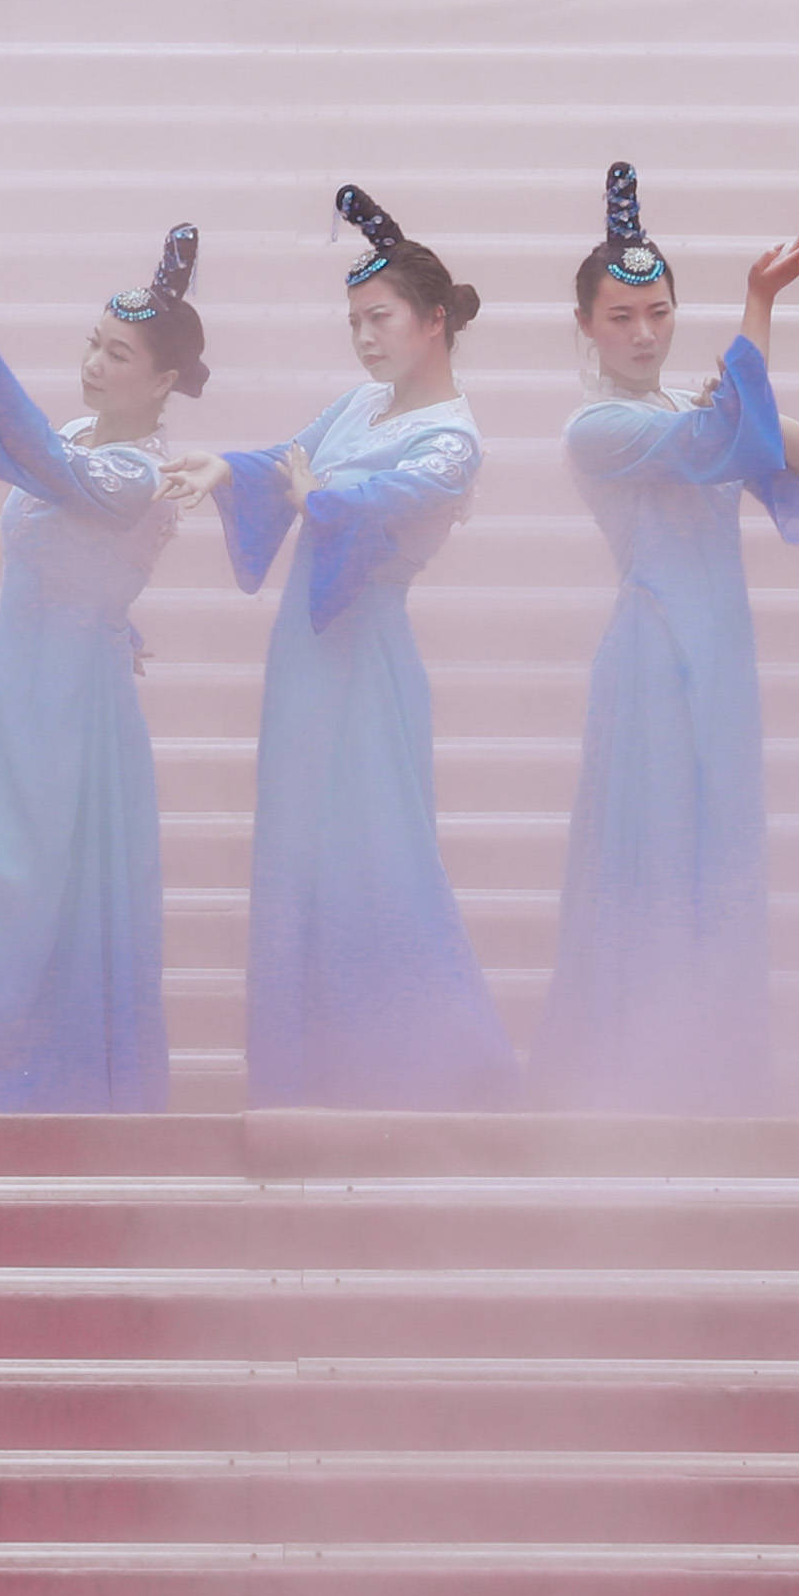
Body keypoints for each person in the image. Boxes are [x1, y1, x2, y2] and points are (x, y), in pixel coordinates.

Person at [0, 220, 216, 1117]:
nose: (96, 365)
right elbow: (65, 530)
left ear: (166, 380)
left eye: (121, 355)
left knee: (25, 885)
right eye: (94, 344)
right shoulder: (76, 428)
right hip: (22, 681)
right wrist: (117, 611)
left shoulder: (138, 471)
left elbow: (51, 467)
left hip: (67, 702)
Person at [534, 169, 799, 1113]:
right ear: (584, 323)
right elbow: (726, 446)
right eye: (619, 316)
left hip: (724, 660)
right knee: (653, 856)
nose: (642, 333)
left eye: (658, 311)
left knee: (721, 853)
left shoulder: (683, 412)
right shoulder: (597, 428)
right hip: (655, 655)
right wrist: (758, 309)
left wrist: (742, 402)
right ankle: (624, 1078)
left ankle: (716, 1076)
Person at [215, 185, 522, 1109]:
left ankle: (442, 1066)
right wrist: (218, 469)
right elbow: (285, 461)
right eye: (353, 321)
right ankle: (311, 1069)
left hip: (368, 651)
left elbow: (371, 501)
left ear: (433, 321)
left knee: (379, 852)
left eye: (378, 318)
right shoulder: (360, 404)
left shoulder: (454, 437)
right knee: (300, 850)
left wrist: (318, 498)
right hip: (308, 648)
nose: (363, 337)